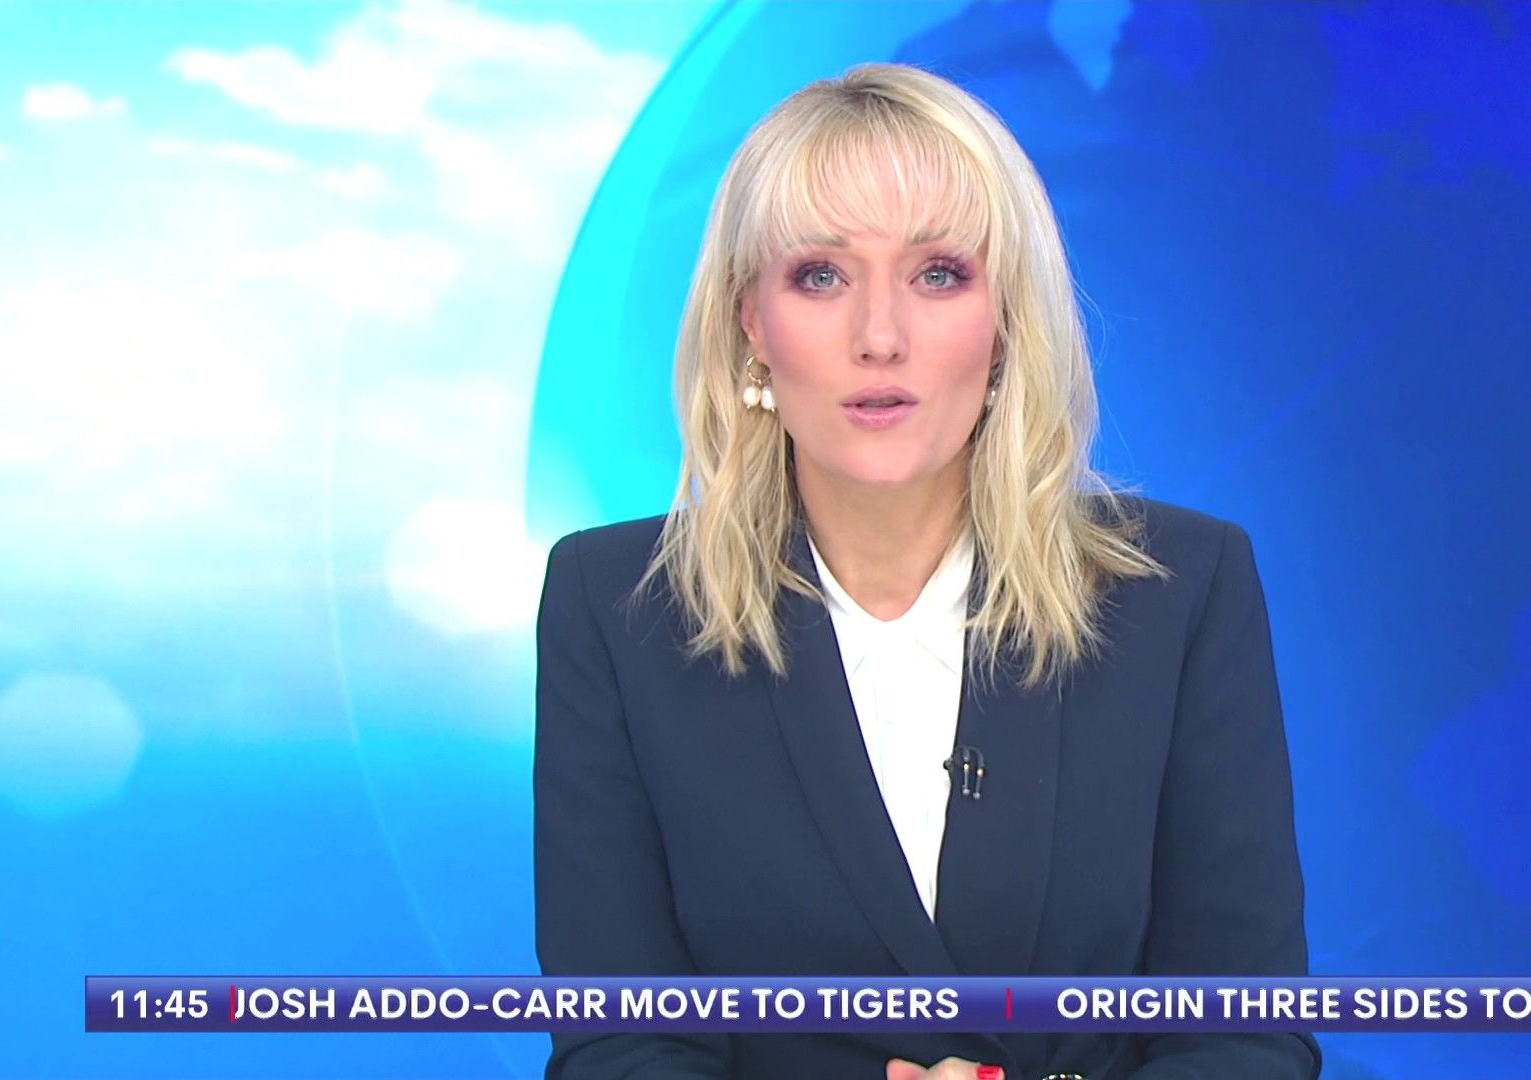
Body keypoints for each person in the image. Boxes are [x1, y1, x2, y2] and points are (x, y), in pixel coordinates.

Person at [534, 61, 1319, 1080]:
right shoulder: (615, 607)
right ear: (750, 322)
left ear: (1007, 319)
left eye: (938, 274)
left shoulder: (1181, 590)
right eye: (820, 276)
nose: (880, 337)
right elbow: (618, 1043)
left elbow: (1245, 1034)